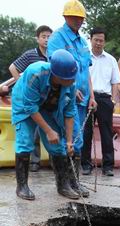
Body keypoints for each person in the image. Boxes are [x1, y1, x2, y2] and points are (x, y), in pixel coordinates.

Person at [11, 49, 80, 201]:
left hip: (47, 107)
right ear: (56, 75)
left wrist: (69, 141)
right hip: (24, 104)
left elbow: (69, 113)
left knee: (58, 145)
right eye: (67, 79)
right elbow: (30, 107)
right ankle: (22, 186)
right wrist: (48, 131)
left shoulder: (70, 83)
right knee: (25, 141)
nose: (71, 82)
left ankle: (63, 186)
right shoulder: (36, 73)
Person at [47, 0, 96, 197]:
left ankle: (75, 183)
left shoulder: (83, 41)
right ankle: (65, 184)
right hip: (67, 97)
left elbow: (86, 71)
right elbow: (56, 69)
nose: (78, 21)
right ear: (66, 17)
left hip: (84, 99)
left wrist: (92, 96)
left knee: (79, 140)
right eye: (74, 17)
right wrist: (71, 88)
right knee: (71, 140)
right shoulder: (57, 38)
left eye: (81, 18)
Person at [9, 25, 53, 172]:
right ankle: (34, 161)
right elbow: (12, 67)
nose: (47, 40)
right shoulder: (30, 55)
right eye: (44, 36)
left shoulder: (53, 55)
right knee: (31, 133)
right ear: (37, 38)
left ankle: (55, 161)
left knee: (51, 129)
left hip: (46, 100)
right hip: (30, 98)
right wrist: (21, 84)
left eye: (49, 37)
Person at [81, 27, 120, 176]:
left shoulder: (110, 60)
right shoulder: (84, 57)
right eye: (96, 40)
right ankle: (85, 165)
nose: (98, 43)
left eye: (101, 40)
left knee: (106, 133)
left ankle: (108, 166)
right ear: (90, 39)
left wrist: (113, 100)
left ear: (105, 42)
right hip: (87, 98)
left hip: (105, 99)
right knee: (86, 132)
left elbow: (115, 81)